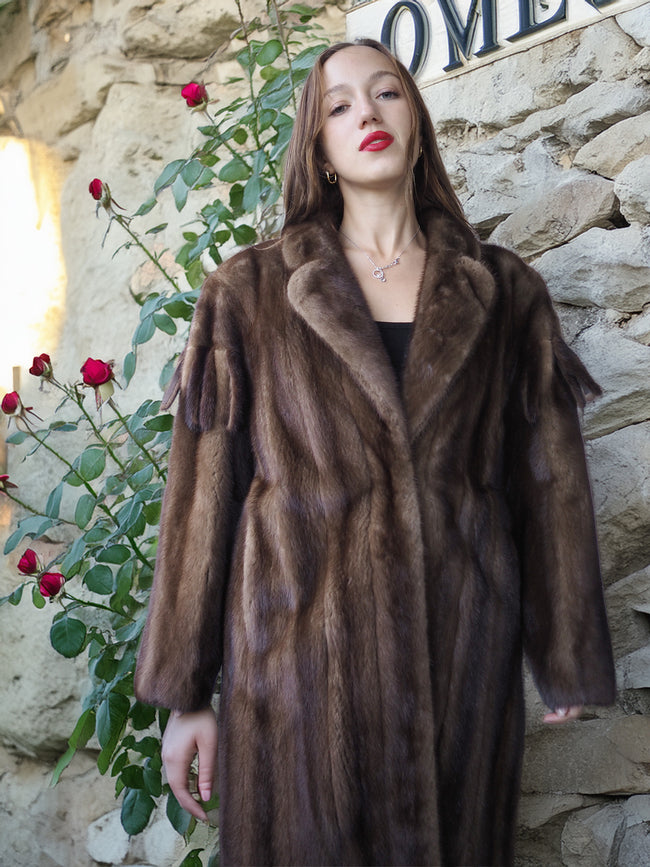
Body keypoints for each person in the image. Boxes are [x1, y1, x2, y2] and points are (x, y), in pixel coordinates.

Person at [134, 38, 615, 866]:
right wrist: (185, 694)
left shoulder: (502, 291)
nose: (367, 114)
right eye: (340, 105)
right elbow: (202, 496)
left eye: (387, 93)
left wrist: (565, 654)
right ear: (317, 147)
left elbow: (550, 480)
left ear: (418, 123)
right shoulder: (248, 292)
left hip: (458, 666)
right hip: (296, 683)